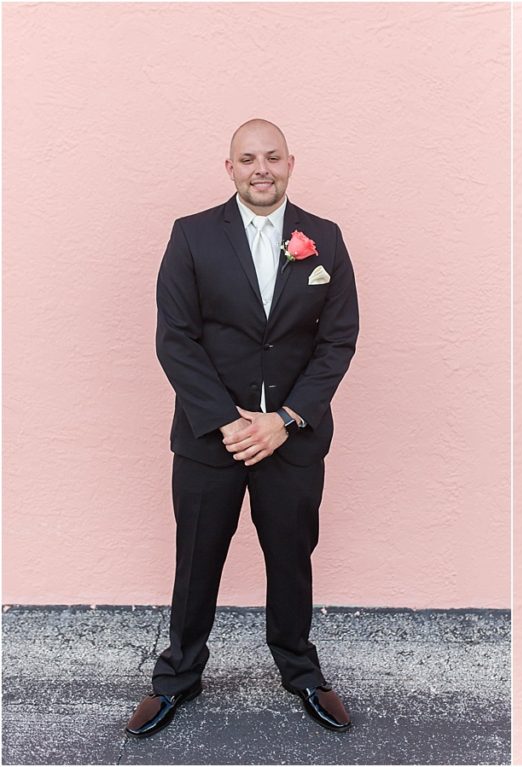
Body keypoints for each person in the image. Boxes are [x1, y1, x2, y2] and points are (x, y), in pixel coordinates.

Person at [126, 118, 359, 737]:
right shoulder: (193, 235)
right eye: (249, 158)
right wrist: (231, 423)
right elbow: (174, 338)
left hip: (292, 436)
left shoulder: (326, 240)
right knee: (197, 558)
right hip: (212, 437)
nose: (263, 168)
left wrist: (285, 419)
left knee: (291, 558)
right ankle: (178, 676)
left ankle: (300, 670)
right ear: (229, 168)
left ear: (290, 163)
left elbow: (338, 340)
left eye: (273, 157)